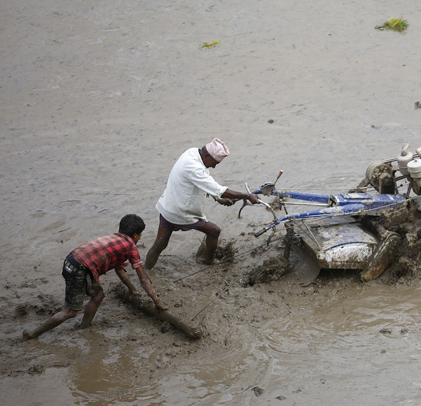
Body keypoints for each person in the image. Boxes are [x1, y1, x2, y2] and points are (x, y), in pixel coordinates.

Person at [23, 214, 164, 340]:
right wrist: (157, 302)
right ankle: (34, 333)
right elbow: (144, 278)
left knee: (98, 295)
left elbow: (119, 270)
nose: (140, 238)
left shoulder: (114, 239)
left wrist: (132, 289)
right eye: (140, 235)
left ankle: (84, 326)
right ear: (135, 235)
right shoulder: (130, 246)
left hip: (70, 261)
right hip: (81, 269)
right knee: (70, 312)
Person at [145, 138, 259, 269]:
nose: (214, 166)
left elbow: (201, 183)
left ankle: (146, 269)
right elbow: (218, 189)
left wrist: (217, 198)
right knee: (214, 231)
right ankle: (209, 261)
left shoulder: (191, 152)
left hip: (168, 206)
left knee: (160, 243)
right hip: (181, 212)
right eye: (214, 163)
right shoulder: (194, 168)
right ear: (206, 155)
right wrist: (247, 195)